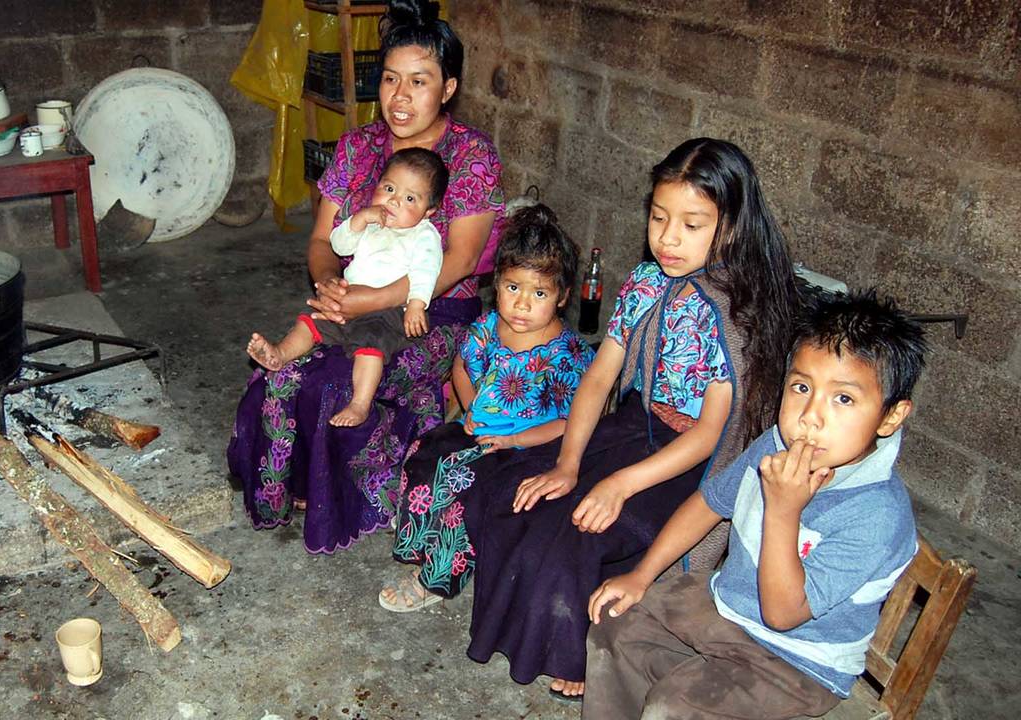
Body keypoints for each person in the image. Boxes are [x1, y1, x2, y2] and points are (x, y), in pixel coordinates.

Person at [460, 138, 802, 698]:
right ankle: (528, 627)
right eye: (659, 217)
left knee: (579, 532)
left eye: (692, 224)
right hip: (632, 426)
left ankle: (575, 651)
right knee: (514, 492)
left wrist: (619, 485)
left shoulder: (738, 309)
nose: (668, 238)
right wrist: (569, 462)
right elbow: (599, 378)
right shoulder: (646, 284)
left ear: (731, 227)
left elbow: (712, 435)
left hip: (689, 461)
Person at [228, 0, 507, 554]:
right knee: (282, 372)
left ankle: (349, 493)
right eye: (390, 79)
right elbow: (322, 241)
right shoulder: (358, 148)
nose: (400, 96)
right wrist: (331, 286)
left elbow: (458, 261)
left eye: (419, 82)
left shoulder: (471, 156)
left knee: (335, 382)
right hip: (353, 297)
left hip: (429, 309)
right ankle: (288, 487)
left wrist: (371, 300)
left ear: (448, 88)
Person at [583, 289, 926, 720]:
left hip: (798, 660)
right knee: (614, 624)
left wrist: (783, 510)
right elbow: (708, 504)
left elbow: (783, 615)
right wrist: (642, 575)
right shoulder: (774, 444)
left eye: (843, 398)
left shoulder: (878, 515)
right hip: (728, 603)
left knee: (674, 707)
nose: (810, 417)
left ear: (891, 416)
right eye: (802, 387)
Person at [377, 205, 596, 611]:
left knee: (465, 489)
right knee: (425, 451)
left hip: (532, 447)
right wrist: (471, 405)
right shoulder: (488, 328)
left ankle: (436, 578)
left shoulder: (567, 357)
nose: (522, 304)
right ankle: (420, 533)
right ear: (497, 285)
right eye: (513, 288)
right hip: (481, 431)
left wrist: (512, 439)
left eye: (539, 293)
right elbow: (462, 366)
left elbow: (570, 423)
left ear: (563, 296)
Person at [247, 148, 449, 428]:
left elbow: (426, 271)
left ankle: (360, 403)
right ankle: (279, 354)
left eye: (410, 198)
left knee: (370, 344)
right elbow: (339, 245)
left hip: (388, 313)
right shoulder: (372, 223)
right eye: (389, 188)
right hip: (347, 302)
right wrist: (359, 220)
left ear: (429, 211)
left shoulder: (423, 234)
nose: (394, 200)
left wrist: (417, 303)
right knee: (311, 321)